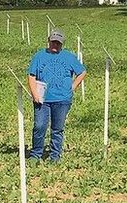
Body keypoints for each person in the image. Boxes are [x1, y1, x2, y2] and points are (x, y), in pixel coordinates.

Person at [26, 28, 86, 161]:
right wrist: (34, 93)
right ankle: (36, 154)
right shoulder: (39, 56)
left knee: (57, 128)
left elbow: (82, 72)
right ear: (48, 41)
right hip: (42, 99)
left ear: (62, 44)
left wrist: (73, 86)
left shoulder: (69, 57)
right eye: (53, 42)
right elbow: (31, 76)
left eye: (58, 43)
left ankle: (55, 156)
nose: (55, 45)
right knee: (39, 126)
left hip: (62, 99)